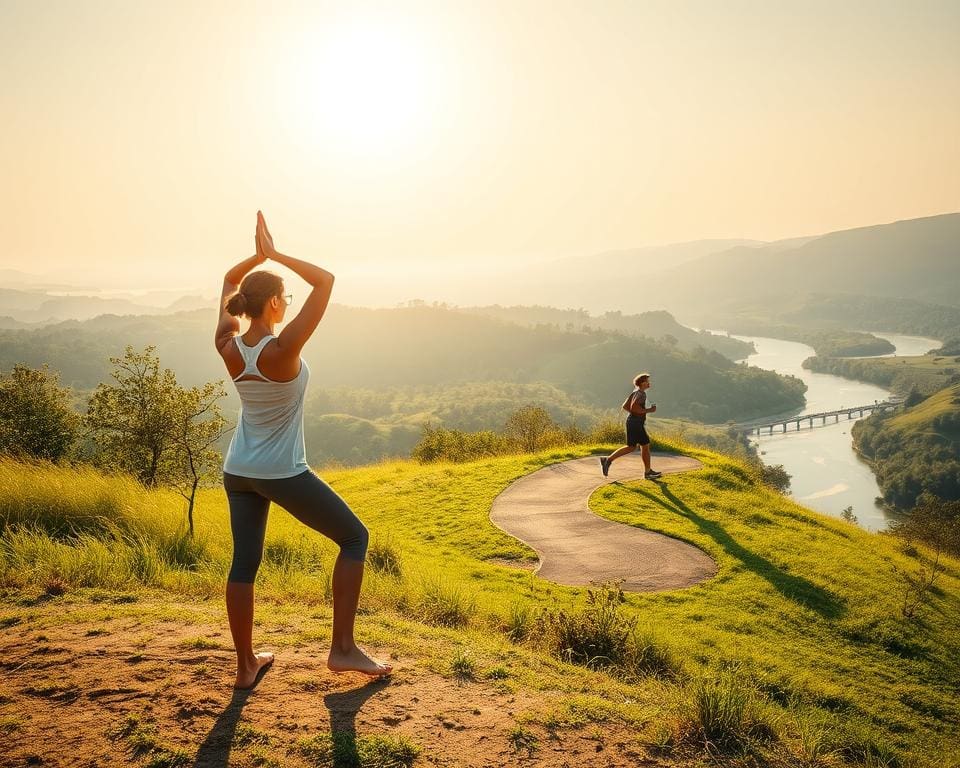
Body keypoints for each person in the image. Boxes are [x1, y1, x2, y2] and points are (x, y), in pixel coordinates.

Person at [215, 211, 393, 689]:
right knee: (354, 539)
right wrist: (272, 253)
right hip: (280, 471)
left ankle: (246, 665)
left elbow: (231, 279)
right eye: (285, 299)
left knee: (244, 562)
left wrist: (254, 261)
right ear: (274, 303)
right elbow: (326, 280)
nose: (289, 304)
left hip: (238, 470)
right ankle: (342, 649)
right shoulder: (284, 348)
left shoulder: (227, 345)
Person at [600, 372, 662, 479]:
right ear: (642, 383)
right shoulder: (641, 394)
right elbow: (634, 407)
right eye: (647, 381)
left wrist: (635, 414)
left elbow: (625, 406)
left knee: (633, 447)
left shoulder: (636, 392)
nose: (649, 383)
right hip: (636, 423)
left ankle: (608, 460)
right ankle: (647, 472)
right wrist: (649, 410)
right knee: (644, 445)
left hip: (633, 422)